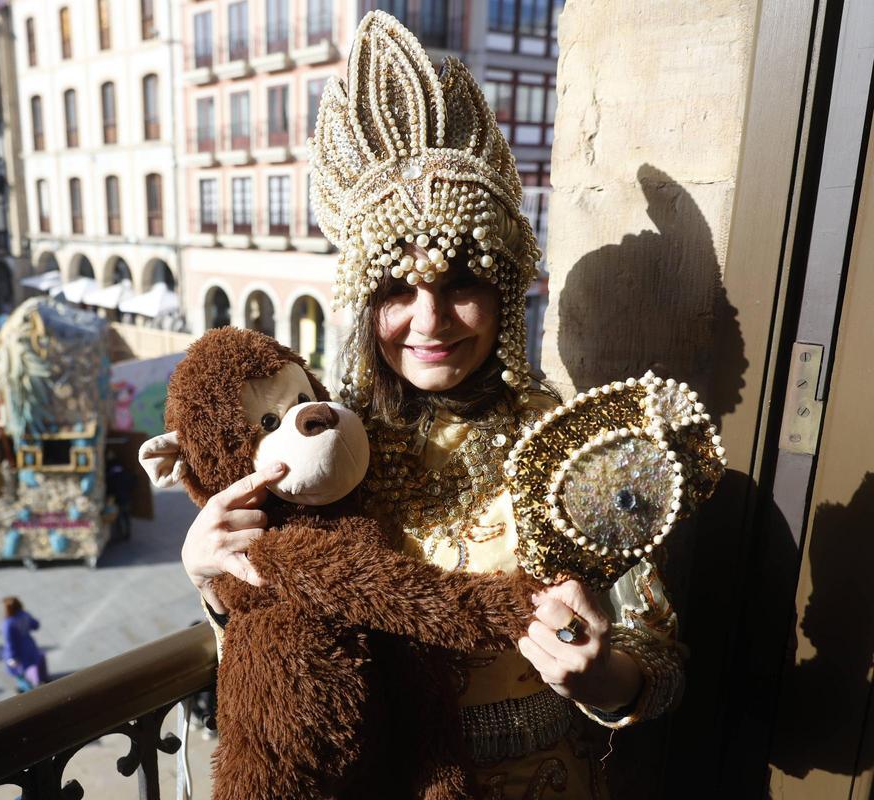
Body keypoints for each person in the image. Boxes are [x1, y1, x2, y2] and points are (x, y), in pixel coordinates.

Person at [179, 12, 683, 796]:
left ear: (506, 293)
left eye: (460, 285)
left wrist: (602, 676)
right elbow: (270, 646)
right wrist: (212, 574)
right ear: (361, 303)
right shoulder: (319, 450)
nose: (430, 321)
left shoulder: (574, 451)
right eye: (397, 292)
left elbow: (662, 656)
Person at [0, 597, 48, 693]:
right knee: (34, 663)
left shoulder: (8, 624)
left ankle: (27, 690)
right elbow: (35, 625)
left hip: (19, 651)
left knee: (20, 673)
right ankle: (41, 678)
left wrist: (11, 657)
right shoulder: (24, 615)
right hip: (29, 645)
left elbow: (11, 642)